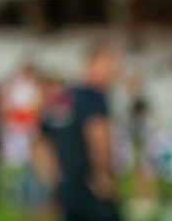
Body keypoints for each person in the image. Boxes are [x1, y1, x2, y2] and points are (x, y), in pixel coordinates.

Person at [37, 40, 123, 221]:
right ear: (91, 63)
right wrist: (105, 175)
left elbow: (40, 141)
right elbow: (99, 137)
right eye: (109, 65)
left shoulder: (65, 98)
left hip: (69, 190)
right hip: (92, 187)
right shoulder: (94, 97)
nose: (113, 72)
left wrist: (55, 179)